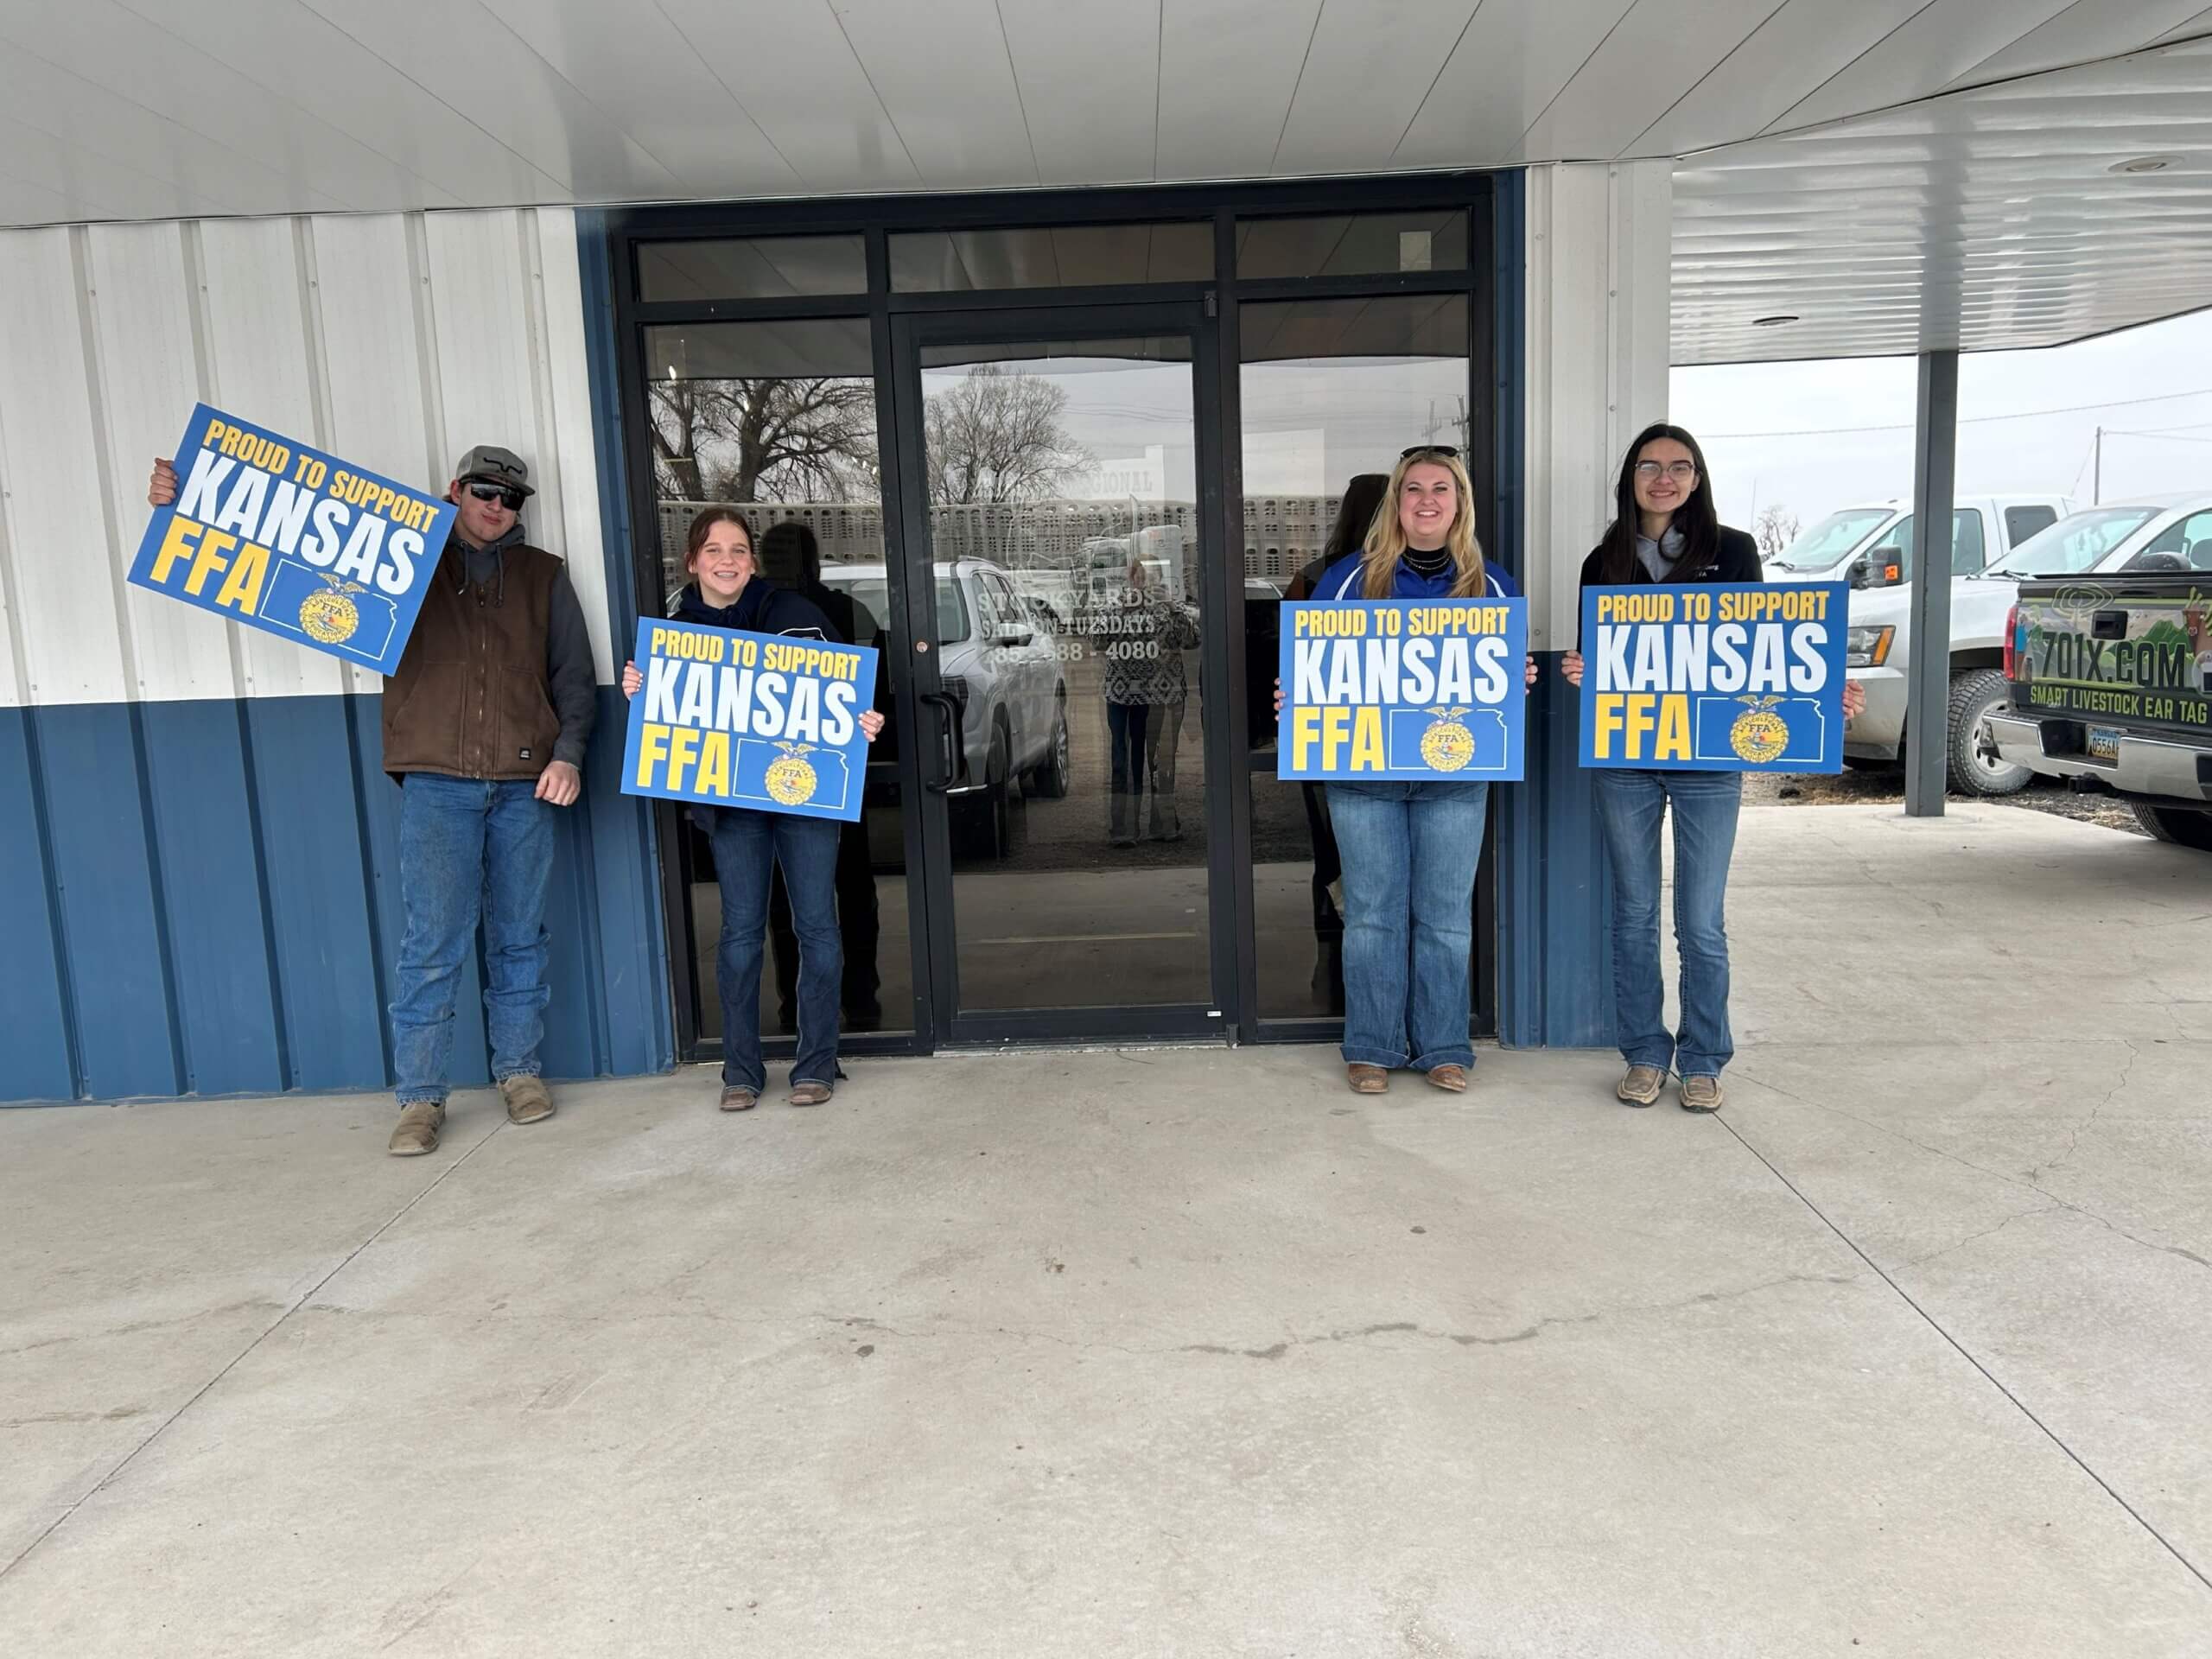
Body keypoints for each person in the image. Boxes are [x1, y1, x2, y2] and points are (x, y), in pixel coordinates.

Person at [149, 445, 595, 1157]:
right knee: (432, 947)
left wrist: (567, 754)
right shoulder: (401, 559)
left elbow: (575, 675)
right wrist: (187, 502)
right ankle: (420, 1099)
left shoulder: (545, 577)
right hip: (435, 781)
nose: (497, 507)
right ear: (455, 490)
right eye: (484, 491)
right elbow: (277, 547)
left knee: (519, 937)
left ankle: (519, 1072)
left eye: (512, 499)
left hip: (523, 783)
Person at [1560, 423, 1866, 1114]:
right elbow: (1597, 657)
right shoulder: (1600, 559)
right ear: (1630, 478)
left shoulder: (1733, 551)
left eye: (1678, 467)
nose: (1662, 478)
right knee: (1633, 914)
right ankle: (1643, 1053)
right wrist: (1583, 671)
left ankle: (1702, 1059)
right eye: (1649, 466)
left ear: (1697, 479)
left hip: (1706, 763)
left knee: (1700, 919)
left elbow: (1761, 649)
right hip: (1627, 758)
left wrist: (1823, 690)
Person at [621, 508, 884, 1110]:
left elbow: (845, 701)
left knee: (817, 926)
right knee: (739, 934)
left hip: (803, 797)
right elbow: (662, 725)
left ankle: (817, 1062)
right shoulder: (673, 635)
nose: (727, 561)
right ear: (692, 561)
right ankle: (740, 1071)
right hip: (731, 805)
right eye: (713, 550)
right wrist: (642, 696)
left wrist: (862, 723)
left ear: (753, 562)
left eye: (739, 550)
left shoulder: (798, 617)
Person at [1304, 447, 1535, 1096]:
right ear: (1395, 502)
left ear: (1459, 501)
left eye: (1441, 488)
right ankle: (1372, 1046)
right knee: (1373, 914)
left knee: (1443, 915)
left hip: (1455, 775)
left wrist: (1519, 680)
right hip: (1363, 775)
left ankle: (1441, 1046)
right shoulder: (1348, 580)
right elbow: (1314, 670)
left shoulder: (1491, 584)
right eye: (1413, 489)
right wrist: (1291, 696)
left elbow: (1503, 684)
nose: (1426, 500)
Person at [756, 521, 885, 1030]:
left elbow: (876, 695)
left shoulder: (838, 612)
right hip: (815, 775)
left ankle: (813, 1004)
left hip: (814, 774)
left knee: (815, 896)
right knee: (840, 893)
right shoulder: (845, 611)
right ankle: (852, 1000)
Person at [1285, 474, 1390, 1009]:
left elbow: (1285, 660)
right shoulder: (1338, 579)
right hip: (1390, 746)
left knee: (1330, 862)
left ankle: (1333, 969)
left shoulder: (1310, 578)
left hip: (1330, 744)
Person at [1096, 555, 1199, 847]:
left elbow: (1192, 639)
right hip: (1124, 695)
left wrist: (1169, 607)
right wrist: (1122, 610)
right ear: (1131, 578)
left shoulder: (1171, 608)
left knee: (1161, 763)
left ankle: (1162, 824)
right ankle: (1124, 829)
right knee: (1124, 761)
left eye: (1149, 576)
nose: (1143, 581)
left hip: (1162, 696)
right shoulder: (1116, 605)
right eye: (1138, 575)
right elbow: (1097, 640)